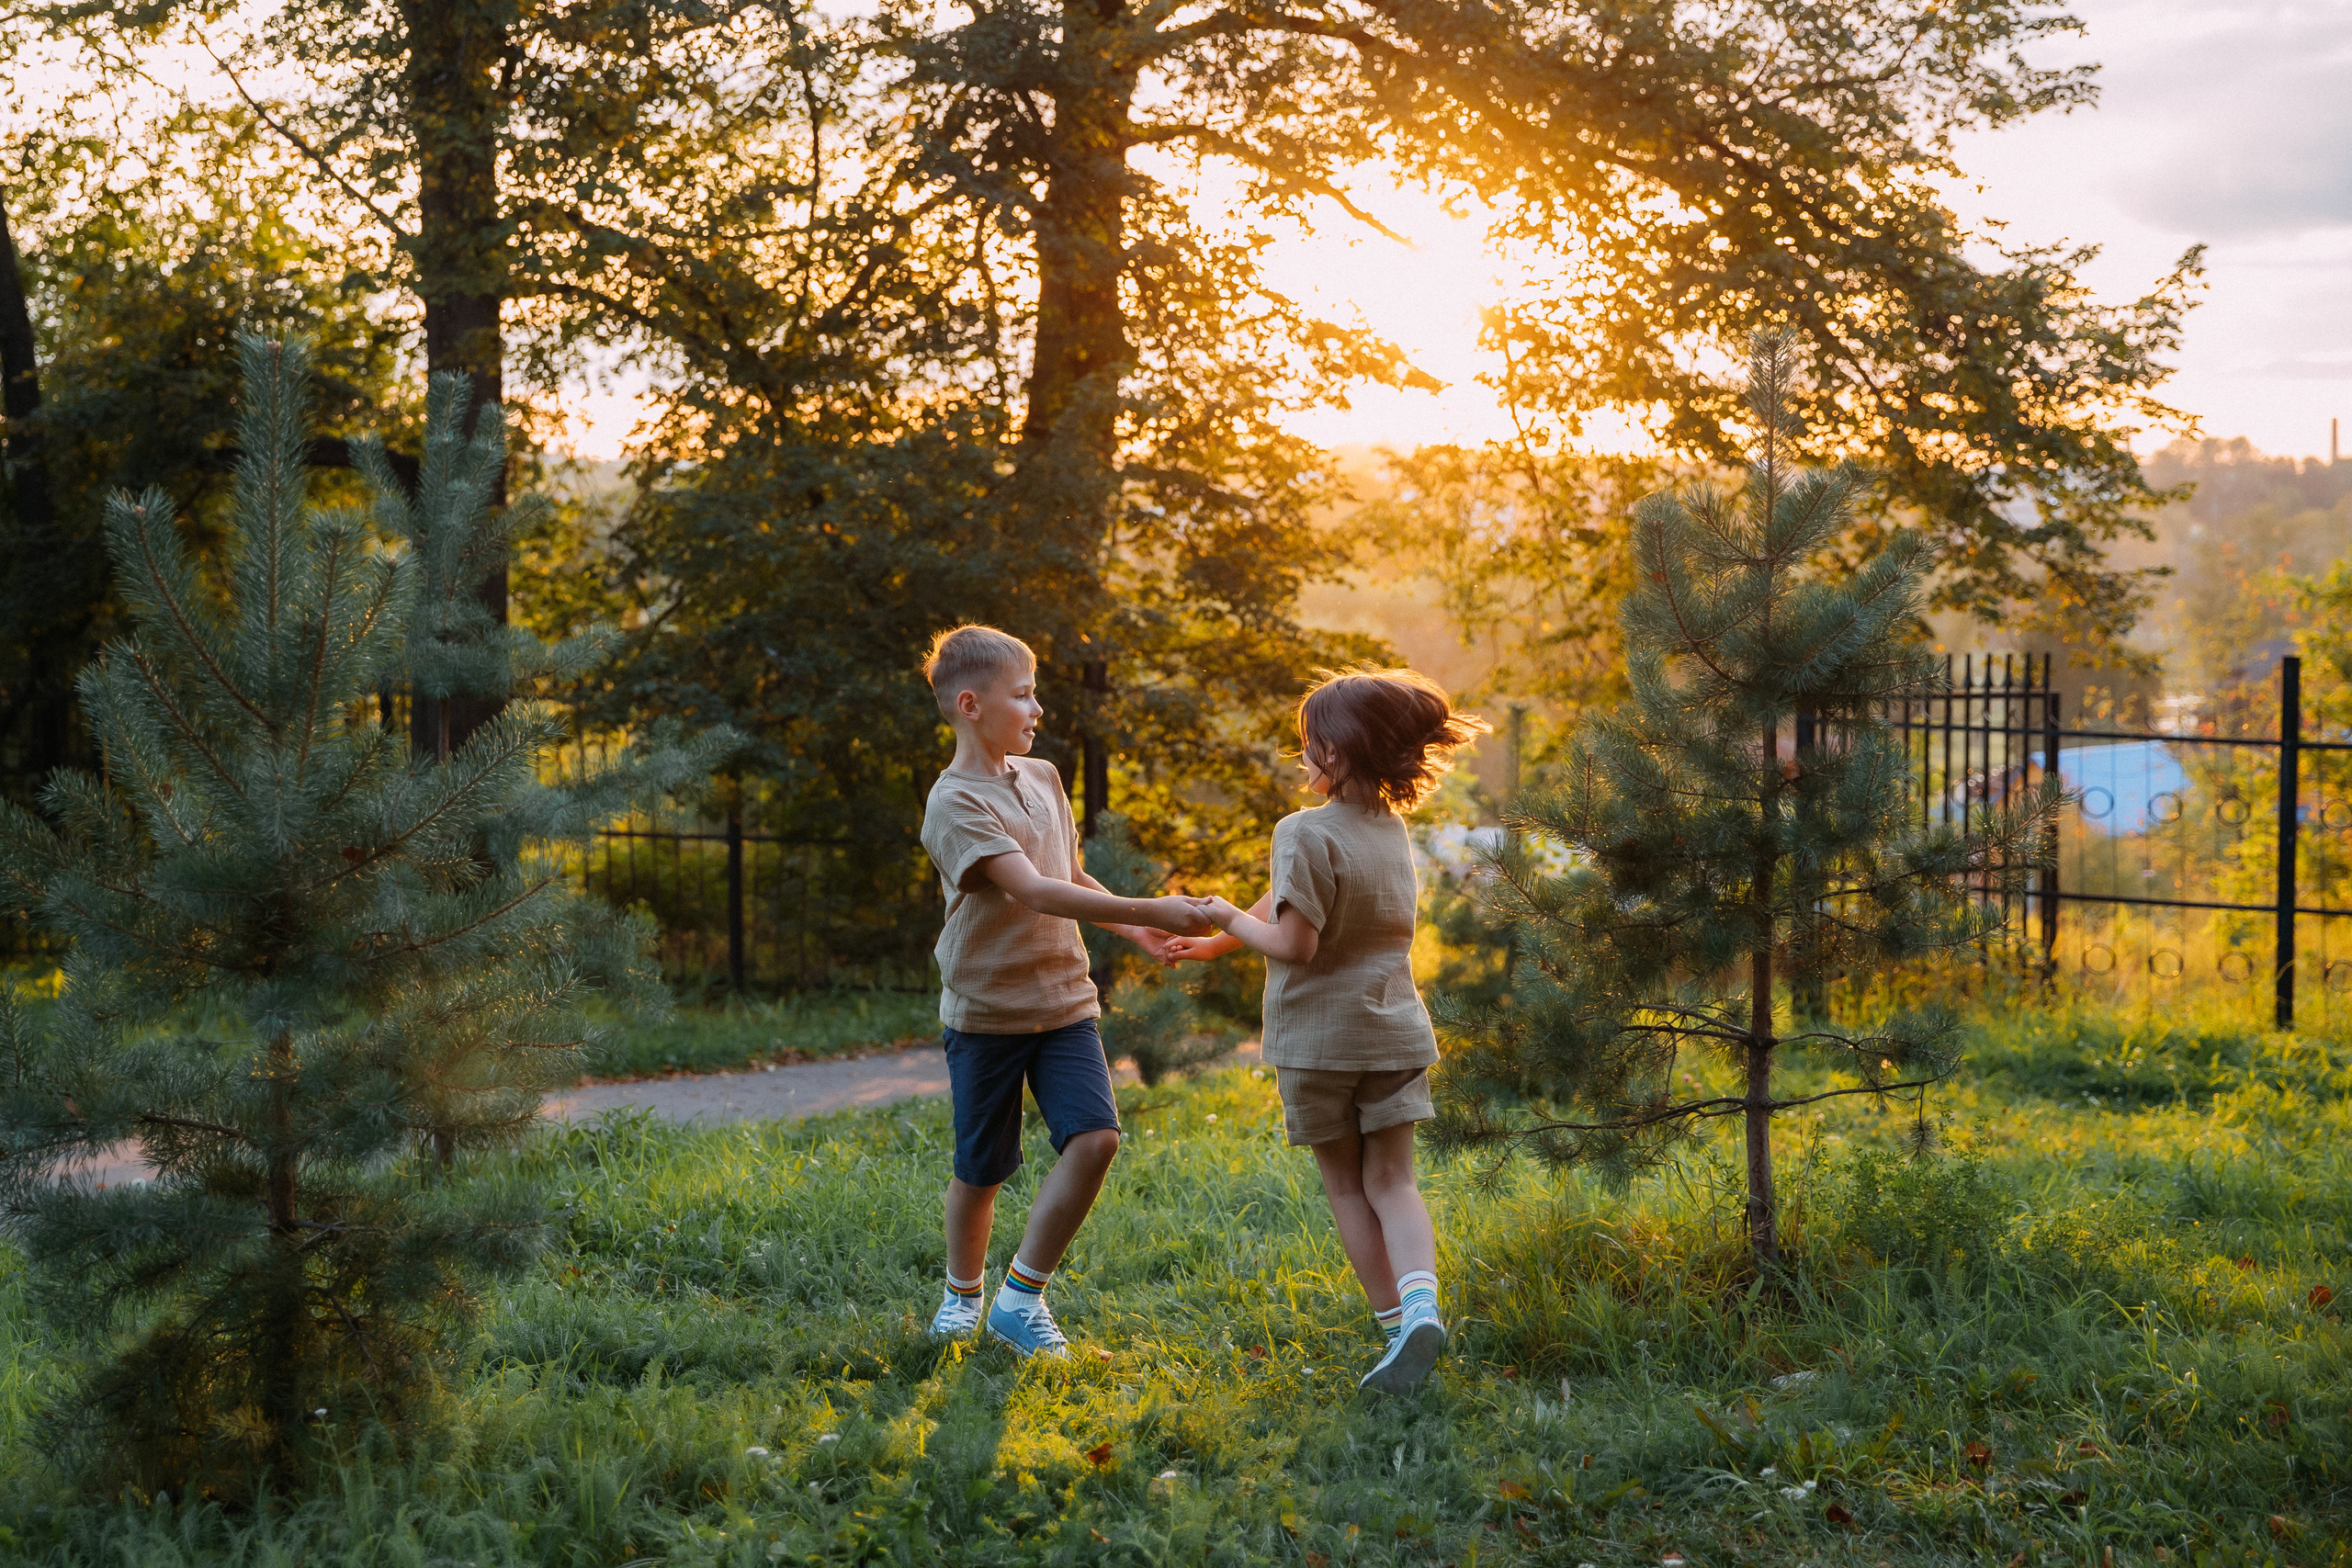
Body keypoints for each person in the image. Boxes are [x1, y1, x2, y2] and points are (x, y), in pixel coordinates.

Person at [1167, 667, 1487, 1393]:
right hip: (1395, 1032)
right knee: (1394, 1179)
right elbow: (1292, 900)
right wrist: (1225, 938)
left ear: (1335, 753)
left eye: (1308, 742)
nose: (1302, 754)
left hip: (1319, 1044)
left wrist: (1221, 918)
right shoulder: (1389, 829)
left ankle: (1393, 1332)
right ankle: (1422, 1308)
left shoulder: (1300, 830)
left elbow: (1293, 942)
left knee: (1347, 1188)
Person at [917, 624, 1211, 1357]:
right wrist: (1154, 908)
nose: (1037, 706)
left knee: (1097, 1137)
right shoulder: (954, 802)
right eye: (1023, 694)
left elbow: (1067, 871)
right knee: (981, 1169)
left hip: (1065, 1004)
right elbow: (1033, 891)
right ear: (970, 704)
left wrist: (1135, 930)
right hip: (987, 1014)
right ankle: (962, 1294)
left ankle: (1021, 1295)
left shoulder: (1043, 778)